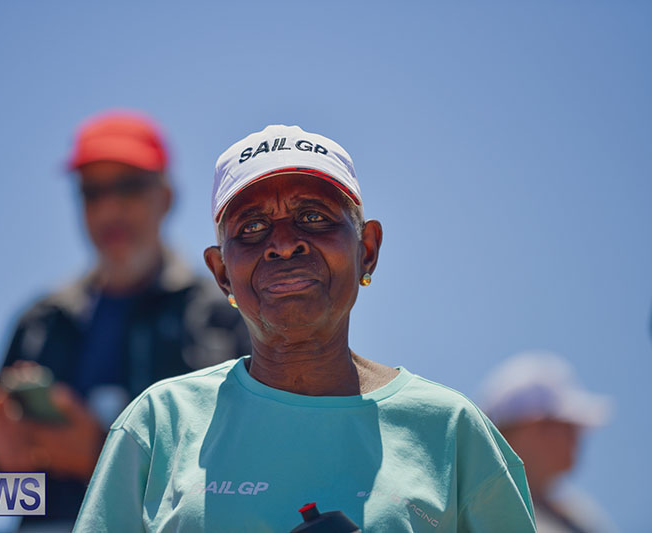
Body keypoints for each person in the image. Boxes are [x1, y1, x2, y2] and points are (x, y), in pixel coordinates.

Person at [74, 125, 537, 531]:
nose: (283, 243)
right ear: (222, 274)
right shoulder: (158, 424)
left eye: (314, 217)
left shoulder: (451, 430)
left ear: (367, 250)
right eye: (251, 227)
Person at [0, 110, 251, 528]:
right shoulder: (40, 322)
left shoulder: (221, 313)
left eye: (129, 187)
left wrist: (101, 452)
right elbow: (3, 492)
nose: (110, 207)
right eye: (93, 192)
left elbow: (250, 462)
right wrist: (7, 465)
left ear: (166, 197)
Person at [480, 352, 616, 533]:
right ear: (530, 425)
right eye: (567, 425)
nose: (577, 436)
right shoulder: (478, 514)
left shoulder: (578, 515)